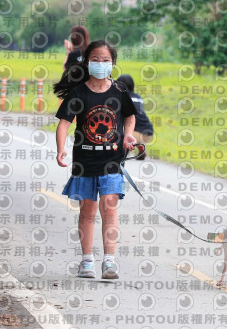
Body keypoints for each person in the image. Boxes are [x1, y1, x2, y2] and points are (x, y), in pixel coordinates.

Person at [54, 40, 137, 279]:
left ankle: (109, 261)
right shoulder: (78, 92)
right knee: (87, 212)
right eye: (96, 60)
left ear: (113, 63)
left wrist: (128, 134)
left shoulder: (119, 90)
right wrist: (60, 149)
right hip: (84, 162)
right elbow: (64, 123)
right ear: (87, 63)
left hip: (112, 160)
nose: (101, 64)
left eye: (105, 60)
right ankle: (87, 261)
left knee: (109, 207)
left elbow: (129, 116)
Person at [116, 74, 154, 160]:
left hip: (133, 134)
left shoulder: (122, 98)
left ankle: (124, 151)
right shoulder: (138, 97)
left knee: (117, 132)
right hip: (148, 132)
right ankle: (141, 147)